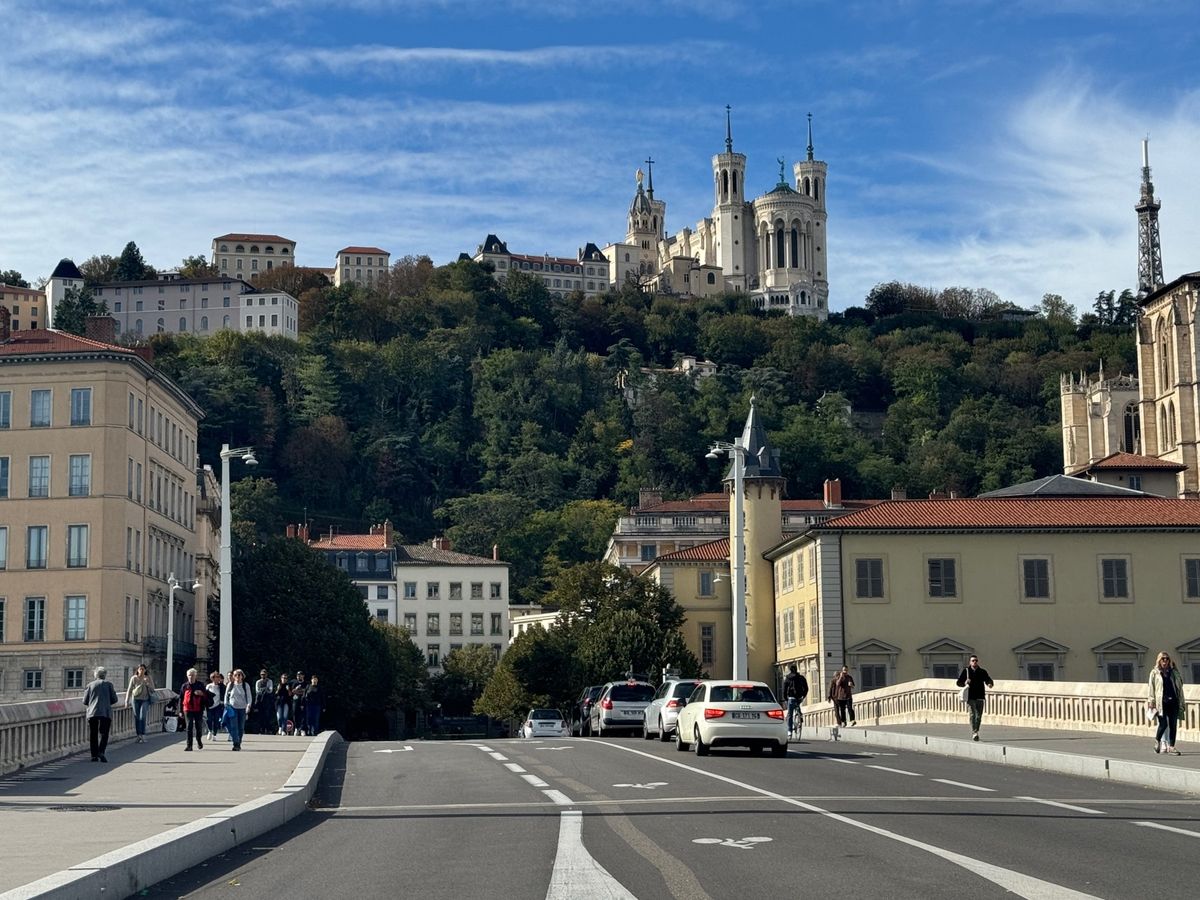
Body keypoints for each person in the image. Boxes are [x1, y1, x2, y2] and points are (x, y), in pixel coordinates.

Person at [1149, 650, 1185, 755]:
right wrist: (1151, 701)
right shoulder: (1155, 673)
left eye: (1167, 659)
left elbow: (1180, 684)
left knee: (1173, 725)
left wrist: (1175, 669)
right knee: (1163, 724)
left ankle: (1171, 747)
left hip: (1173, 701)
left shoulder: (1173, 672)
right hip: (1161, 703)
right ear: (1159, 661)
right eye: (1163, 659)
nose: (1165, 661)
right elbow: (1151, 688)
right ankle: (1157, 740)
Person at [83, 666, 119, 762]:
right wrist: (106, 702)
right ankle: (101, 751)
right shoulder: (109, 685)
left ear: (96, 675)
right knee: (104, 733)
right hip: (105, 712)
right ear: (105, 675)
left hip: (93, 712)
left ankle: (94, 755)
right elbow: (115, 699)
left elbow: (85, 701)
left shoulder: (90, 685)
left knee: (93, 734)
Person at [956, 655, 994, 741]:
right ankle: (974, 732)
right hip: (970, 697)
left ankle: (976, 730)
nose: (974, 662)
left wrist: (990, 684)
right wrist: (965, 682)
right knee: (972, 714)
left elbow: (988, 679)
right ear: (970, 662)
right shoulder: (966, 671)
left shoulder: (982, 671)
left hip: (980, 696)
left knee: (979, 716)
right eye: (973, 660)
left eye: (976, 660)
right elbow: (958, 682)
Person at [179, 668, 212, 751]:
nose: (191, 677)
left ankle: (199, 740)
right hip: (187, 709)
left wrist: (201, 694)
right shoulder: (184, 686)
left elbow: (206, 696)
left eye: (192, 675)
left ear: (195, 676)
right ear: (187, 676)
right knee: (189, 726)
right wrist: (180, 711)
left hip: (198, 709)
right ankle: (189, 745)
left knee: (198, 726)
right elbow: (181, 698)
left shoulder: (200, 685)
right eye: (189, 675)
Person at [125, 664, 155, 744]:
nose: (141, 671)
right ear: (137, 670)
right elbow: (129, 690)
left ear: (145, 670)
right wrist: (126, 701)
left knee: (142, 717)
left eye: (143, 669)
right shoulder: (134, 678)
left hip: (145, 700)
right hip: (135, 700)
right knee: (137, 717)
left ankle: (143, 734)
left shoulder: (148, 678)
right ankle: (138, 735)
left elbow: (153, 689)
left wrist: (147, 683)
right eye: (140, 669)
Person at [224, 669, 253, 751]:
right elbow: (226, 696)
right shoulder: (230, 684)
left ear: (242, 676)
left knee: (241, 727)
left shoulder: (245, 685)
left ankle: (239, 742)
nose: (237, 676)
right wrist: (226, 704)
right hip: (232, 708)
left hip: (242, 708)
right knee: (234, 726)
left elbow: (249, 697)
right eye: (235, 675)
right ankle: (235, 743)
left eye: (239, 675)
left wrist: (248, 705)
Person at [782, 664, 808, 737]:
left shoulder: (788, 678)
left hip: (791, 697)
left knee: (790, 714)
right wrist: (803, 696)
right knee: (797, 705)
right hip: (799, 697)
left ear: (790, 670)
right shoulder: (801, 677)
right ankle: (800, 715)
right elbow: (806, 688)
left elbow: (784, 689)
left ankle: (789, 731)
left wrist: (785, 698)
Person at [205, 671, 226, 741]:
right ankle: (210, 730)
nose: (217, 678)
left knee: (216, 720)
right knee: (209, 719)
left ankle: (214, 734)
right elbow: (205, 695)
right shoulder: (209, 686)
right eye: (216, 677)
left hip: (218, 705)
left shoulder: (221, 686)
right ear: (212, 678)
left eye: (218, 677)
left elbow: (224, 693)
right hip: (209, 705)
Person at [254, 670, 275, 734]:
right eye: (262, 674)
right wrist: (265, 689)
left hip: (267, 701)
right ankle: (261, 729)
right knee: (260, 716)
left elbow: (270, 690)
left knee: (267, 716)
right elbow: (257, 691)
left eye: (264, 674)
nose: (263, 676)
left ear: (266, 675)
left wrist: (263, 690)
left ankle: (267, 729)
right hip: (260, 701)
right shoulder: (258, 682)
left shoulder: (269, 681)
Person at [290, 670, 307, 735]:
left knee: (303, 715)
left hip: (303, 701)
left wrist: (300, 690)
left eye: (300, 675)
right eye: (298, 675)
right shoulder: (293, 682)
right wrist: (296, 689)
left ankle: (302, 729)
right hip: (295, 700)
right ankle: (297, 728)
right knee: (295, 714)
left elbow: (305, 692)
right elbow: (292, 691)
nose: (299, 676)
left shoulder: (306, 683)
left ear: (303, 676)